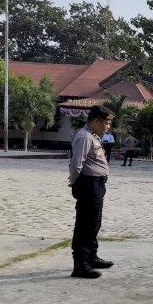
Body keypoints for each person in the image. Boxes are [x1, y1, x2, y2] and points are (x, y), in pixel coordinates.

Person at [69, 105, 116, 279]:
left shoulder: (93, 136)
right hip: (88, 184)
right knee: (85, 224)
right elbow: (76, 164)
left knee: (94, 222)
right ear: (96, 121)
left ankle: (91, 257)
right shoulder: (84, 137)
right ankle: (80, 265)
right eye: (106, 123)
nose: (108, 127)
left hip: (96, 184)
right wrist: (75, 183)